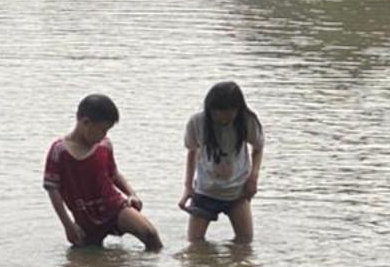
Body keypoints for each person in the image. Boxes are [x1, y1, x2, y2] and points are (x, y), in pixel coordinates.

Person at [43, 94, 162, 250]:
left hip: (113, 206)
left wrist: (131, 193)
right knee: (87, 258)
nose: (104, 135)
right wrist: (68, 225)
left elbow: (114, 174)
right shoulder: (60, 151)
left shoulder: (104, 145)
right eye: (102, 130)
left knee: (150, 234)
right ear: (85, 122)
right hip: (84, 217)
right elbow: (53, 189)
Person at [180, 80, 264, 244]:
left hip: (237, 191)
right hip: (205, 190)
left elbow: (258, 148)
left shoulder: (247, 122)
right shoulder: (197, 122)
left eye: (229, 113)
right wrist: (188, 187)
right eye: (217, 113)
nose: (222, 118)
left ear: (238, 109)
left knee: (245, 242)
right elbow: (191, 151)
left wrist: (253, 178)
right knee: (195, 244)